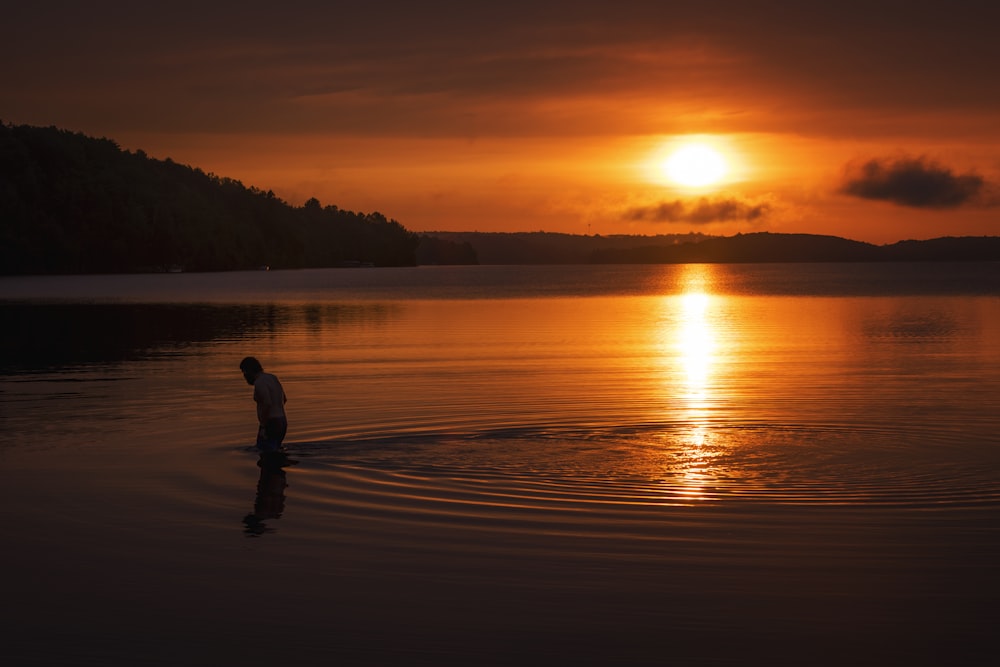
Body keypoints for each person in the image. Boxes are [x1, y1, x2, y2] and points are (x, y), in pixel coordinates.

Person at [239, 356, 288, 454]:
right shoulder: (272, 377)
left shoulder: (259, 382)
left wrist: (264, 426)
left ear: (248, 371)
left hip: (271, 423)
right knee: (275, 453)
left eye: (243, 372)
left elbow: (267, 403)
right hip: (282, 422)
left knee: (265, 456)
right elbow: (284, 399)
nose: (244, 376)